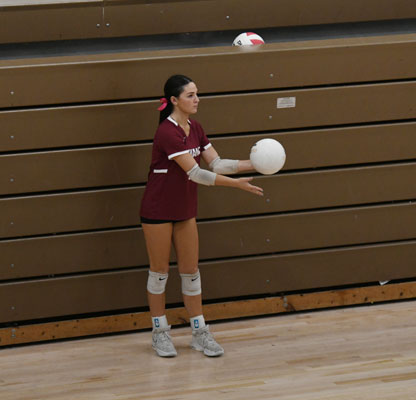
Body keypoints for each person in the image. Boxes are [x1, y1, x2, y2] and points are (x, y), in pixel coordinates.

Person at [140, 74, 263, 358]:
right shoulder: (167, 132)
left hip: (184, 210)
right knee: (159, 274)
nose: (197, 99)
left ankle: (199, 332)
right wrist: (236, 185)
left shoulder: (195, 127)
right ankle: (160, 333)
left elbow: (217, 164)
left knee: (191, 273)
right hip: (158, 210)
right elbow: (196, 173)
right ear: (174, 100)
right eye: (190, 95)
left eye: (197, 94)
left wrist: (256, 163)